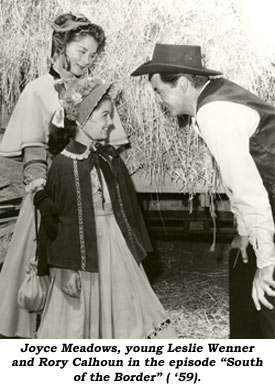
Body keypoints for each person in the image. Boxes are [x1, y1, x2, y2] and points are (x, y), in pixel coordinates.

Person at [131, 43, 275, 338]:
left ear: (182, 83)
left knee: (267, 292)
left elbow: (251, 193)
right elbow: (237, 178)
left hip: (268, 196)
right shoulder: (214, 97)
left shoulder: (215, 113)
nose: (161, 101)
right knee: (244, 268)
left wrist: (268, 265)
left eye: (160, 91)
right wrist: (245, 231)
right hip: (268, 194)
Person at [0, 12, 127, 338]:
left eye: (93, 54)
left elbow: (105, 145)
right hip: (53, 193)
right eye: (81, 51)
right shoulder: (38, 90)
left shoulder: (93, 89)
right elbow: (34, 152)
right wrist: (41, 192)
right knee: (46, 265)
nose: (87, 60)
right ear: (61, 46)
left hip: (91, 198)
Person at [34, 77, 177, 338]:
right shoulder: (64, 165)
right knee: (79, 319)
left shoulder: (108, 158)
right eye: (104, 116)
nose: (110, 123)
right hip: (82, 251)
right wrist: (66, 269)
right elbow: (56, 222)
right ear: (82, 119)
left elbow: (127, 209)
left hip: (115, 244)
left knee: (125, 308)